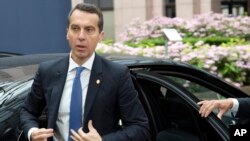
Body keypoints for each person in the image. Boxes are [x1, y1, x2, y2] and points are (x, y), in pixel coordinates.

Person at [20, 3, 150, 141]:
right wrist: (32, 132)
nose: (81, 36)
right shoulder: (48, 71)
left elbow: (140, 128)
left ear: (100, 36)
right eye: (75, 28)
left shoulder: (117, 75)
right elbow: (28, 111)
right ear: (67, 33)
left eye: (89, 29)